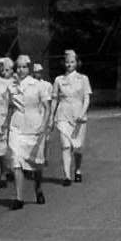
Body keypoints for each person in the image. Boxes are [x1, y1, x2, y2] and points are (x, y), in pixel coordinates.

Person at [6, 54, 51, 210]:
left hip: (34, 125)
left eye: (24, 66)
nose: (21, 69)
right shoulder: (11, 86)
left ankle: (38, 188)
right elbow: (9, 107)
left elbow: (46, 107)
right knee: (16, 159)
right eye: (18, 67)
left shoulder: (38, 85)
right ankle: (18, 198)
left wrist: (44, 125)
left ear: (30, 68)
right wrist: (3, 125)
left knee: (36, 163)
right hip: (17, 126)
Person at [51, 49, 92, 185]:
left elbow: (86, 98)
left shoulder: (83, 78)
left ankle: (78, 170)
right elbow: (55, 99)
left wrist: (82, 112)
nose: (69, 65)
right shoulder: (58, 80)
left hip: (78, 114)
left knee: (77, 147)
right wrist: (51, 115)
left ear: (76, 63)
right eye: (67, 62)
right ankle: (67, 176)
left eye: (72, 62)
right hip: (63, 114)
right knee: (65, 146)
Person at [0, 57, 15, 187]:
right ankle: (0, 173)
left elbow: (13, 104)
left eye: (7, 70)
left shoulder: (14, 82)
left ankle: (12, 169)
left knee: (12, 147)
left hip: (12, 116)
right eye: (2, 69)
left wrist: (9, 119)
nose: (4, 72)